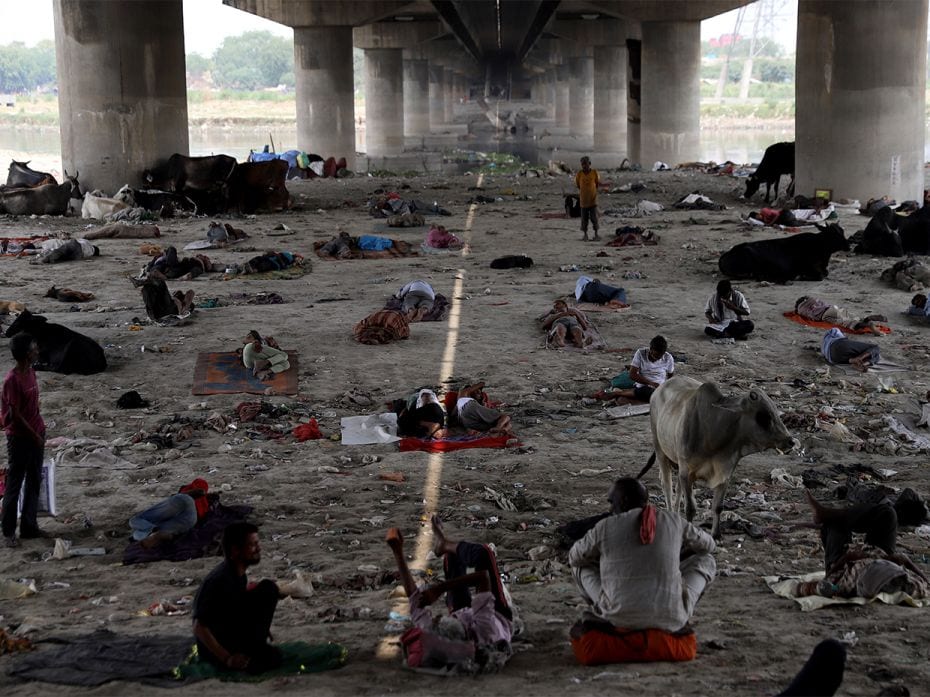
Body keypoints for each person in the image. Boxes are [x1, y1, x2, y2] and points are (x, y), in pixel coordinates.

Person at [568, 478, 716, 633]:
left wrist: (603, 559)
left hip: (617, 617)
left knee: (579, 567)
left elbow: (574, 557)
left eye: (612, 502)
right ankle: (681, 610)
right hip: (673, 618)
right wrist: (677, 556)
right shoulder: (673, 520)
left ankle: (602, 610)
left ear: (624, 501)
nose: (610, 509)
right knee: (706, 560)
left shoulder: (605, 526)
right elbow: (709, 546)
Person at [386, 515, 516, 672]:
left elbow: (414, 596)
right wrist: (440, 589)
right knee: (484, 554)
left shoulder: (433, 630)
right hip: (498, 614)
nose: (439, 617)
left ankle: (444, 545)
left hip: (464, 617)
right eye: (443, 618)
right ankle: (445, 544)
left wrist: (397, 552)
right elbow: (483, 578)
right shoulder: (486, 632)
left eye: (439, 619)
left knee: (453, 558)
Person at [796, 491, 929, 599]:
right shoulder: (910, 585)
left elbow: (823, 581)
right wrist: (904, 561)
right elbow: (927, 584)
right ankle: (827, 514)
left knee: (834, 524)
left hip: (842, 565)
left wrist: (847, 558)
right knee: (888, 513)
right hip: (879, 553)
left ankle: (827, 514)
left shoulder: (849, 584)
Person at [192, 522, 282, 673]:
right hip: (216, 647)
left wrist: (260, 624)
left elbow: (237, 605)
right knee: (270, 659)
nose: (258, 549)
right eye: (252, 545)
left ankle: (254, 645)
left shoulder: (237, 574)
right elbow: (198, 627)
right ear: (235, 550)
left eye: (257, 543)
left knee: (268, 588)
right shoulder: (220, 580)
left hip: (231, 629)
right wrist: (227, 658)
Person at [1, 333, 45, 547]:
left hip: (36, 431)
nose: (37, 351)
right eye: (34, 348)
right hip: (20, 437)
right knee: (15, 483)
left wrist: (39, 428)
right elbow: (15, 415)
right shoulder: (13, 379)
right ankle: (9, 531)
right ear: (27, 354)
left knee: (35, 479)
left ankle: (29, 526)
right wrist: (34, 435)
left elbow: (32, 405)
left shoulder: (31, 373)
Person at [129, 478, 209, 548]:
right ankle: (155, 533)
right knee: (137, 534)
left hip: (185, 500)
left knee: (134, 520)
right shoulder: (205, 505)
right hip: (189, 521)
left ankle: (152, 529)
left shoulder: (187, 492)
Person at [611, 335, 675, 402]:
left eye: (659, 357)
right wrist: (650, 383)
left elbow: (670, 375)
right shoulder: (641, 353)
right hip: (643, 386)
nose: (655, 359)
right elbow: (632, 375)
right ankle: (619, 393)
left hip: (659, 388)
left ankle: (627, 394)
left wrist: (665, 386)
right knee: (648, 393)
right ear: (650, 349)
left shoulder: (668, 357)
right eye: (654, 356)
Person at [796, 295, 886, 335]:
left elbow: (812, 316)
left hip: (826, 314)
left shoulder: (801, 309)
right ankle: (866, 319)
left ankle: (868, 324)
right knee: (853, 317)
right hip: (834, 308)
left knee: (848, 323)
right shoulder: (814, 299)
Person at [574, 156, 600, 241]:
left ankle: (596, 234)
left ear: (590, 164)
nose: (584, 166)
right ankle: (585, 235)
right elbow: (578, 185)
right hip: (583, 201)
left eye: (586, 163)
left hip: (593, 200)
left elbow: (597, 183)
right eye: (582, 164)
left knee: (594, 218)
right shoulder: (579, 174)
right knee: (584, 220)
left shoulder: (594, 172)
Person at [28, 238, 99, 264]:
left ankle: (44, 260)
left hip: (76, 245)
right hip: (78, 255)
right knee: (63, 256)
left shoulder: (88, 244)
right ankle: (47, 260)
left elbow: (78, 240)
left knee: (60, 251)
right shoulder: (91, 253)